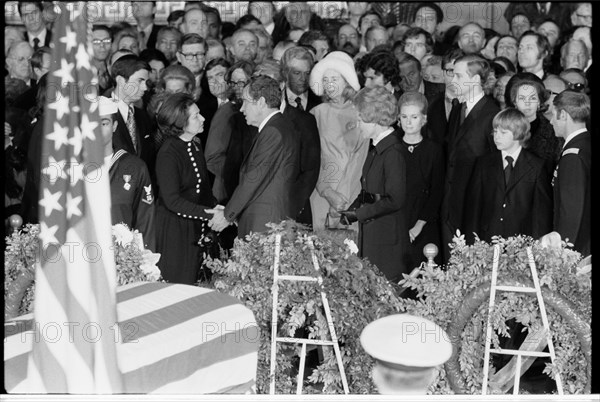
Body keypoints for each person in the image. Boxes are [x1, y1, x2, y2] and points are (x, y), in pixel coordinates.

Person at [206, 75, 300, 238]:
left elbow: (254, 179)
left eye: (246, 102)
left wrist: (228, 214)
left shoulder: (273, 131)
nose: (242, 109)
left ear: (261, 102)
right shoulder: (277, 127)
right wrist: (230, 209)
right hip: (263, 219)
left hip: (265, 223)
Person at [338, 86, 408, 283]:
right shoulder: (377, 148)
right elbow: (368, 191)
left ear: (375, 118)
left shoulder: (393, 151)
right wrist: (350, 211)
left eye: (360, 118)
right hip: (373, 234)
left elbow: (395, 199)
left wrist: (359, 214)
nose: (357, 124)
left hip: (386, 240)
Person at [441, 54, 500, 262]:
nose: (453, 81)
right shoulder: (458, 109)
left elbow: (495, 165)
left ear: (475, 79)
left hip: (475, 208)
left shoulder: (493, 113)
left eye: (458, 76)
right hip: (452, 202)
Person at [464, 107, 553, 244]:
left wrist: (537, 247)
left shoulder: (537, 166)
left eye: (503, 132)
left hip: (521, 244)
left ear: (518, 133)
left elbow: (540, 213)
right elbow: (474, 207)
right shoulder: (483, 164)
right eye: (495, 131)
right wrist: (472, 243)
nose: (496, 136)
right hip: (487, 242)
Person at [154, 92, 217, 284]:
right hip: (175, 231)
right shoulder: (168, 153)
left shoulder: (195, 146)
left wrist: (218, 208)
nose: (202, 118)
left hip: (195, 226)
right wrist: (209, 214)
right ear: (180, 122)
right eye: (196, 116)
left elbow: (204, 190)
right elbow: (172, 200)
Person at [308, 51, 365, 231]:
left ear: (347, 80)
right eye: (325, 80)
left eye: (334, 79)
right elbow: (311, 158)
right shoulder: (316, 113)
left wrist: (341, 198)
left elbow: (360, 159)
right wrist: (327, 191)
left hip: (351, 193)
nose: (329, 84)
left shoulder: (361, 112)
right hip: (320, 193)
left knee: (350, 252)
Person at [98, 96, 156, 251]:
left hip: (122, 262)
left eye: (104, 123)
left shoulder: (135, 167)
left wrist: (145, 261)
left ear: (115, 126)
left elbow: (145, 219)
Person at [396, 92, 444, 268]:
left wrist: (418, 226)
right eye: (404, 116)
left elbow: (437, 191)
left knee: (422, 275)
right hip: (396, 220)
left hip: (424, 223)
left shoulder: (434, 150)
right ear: (398, 119)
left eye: (414, 117)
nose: (409, 122)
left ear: (423, 119)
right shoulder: (392, 147)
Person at [549, 90, 590, 256]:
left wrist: (565, 251)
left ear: (563, 115)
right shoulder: (585, 145)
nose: (551, 121)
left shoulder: (573, 156)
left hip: (578, 249)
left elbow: (571, 210)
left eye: (553, 115)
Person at [110, 55, 156, 174]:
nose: (145, 88)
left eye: (146, 82)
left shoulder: (143, 117)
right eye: (140, 81)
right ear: (120, 80)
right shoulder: (102, 113)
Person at [509, 78, 563, 168]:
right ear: (515, 102)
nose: (527, 103)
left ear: (539, 102)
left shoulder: (554, 132)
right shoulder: (504, 128)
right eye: (522, 98)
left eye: (532, 98)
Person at [280, 46, 321, 112]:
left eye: (307, 73)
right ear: (285, 73)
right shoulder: (276, 99)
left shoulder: (320, 100)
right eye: (297, 73)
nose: (303, 78)